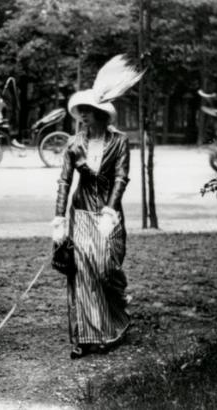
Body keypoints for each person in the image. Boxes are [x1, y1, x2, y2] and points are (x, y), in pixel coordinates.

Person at [52, 88, 133, 359]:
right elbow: (64, 181)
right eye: (80, 111)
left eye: (87, 111)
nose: (82, 116)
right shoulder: (74, 143)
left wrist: (111, 212)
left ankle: (118, 314)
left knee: (105, 267)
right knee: (84, 272)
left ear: (100, 113)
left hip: (109, 214)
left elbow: (121, 177)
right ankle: (87, 338)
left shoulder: (120, 141)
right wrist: (59, 218)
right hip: (82, 211)